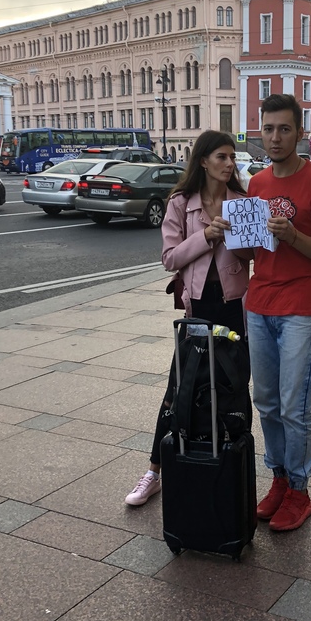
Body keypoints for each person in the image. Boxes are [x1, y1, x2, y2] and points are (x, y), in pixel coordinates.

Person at [125, 130, 250, 506]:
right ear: (203, 161)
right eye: (222, 158)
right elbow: (169, 259)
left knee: (235, 389)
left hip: (235, 306)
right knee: (179, 389)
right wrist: (207, 236)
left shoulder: (242, 201)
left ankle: (232, 466)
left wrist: (242, 240)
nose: (229, 165)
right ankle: (154, 471)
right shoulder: (181, 203)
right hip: (198, 308)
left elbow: (252, 258)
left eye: (232, 158)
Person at [246, 94, 311, 532]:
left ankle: (300, 492)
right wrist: (229, 231)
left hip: (301, 307)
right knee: (265, 402)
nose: (274, 137)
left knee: (294, 405)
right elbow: (252, 252)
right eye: (268, 129)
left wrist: (293, 237)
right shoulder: (257, 184)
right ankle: (278, 480)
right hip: (259, 304)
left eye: (284, 129)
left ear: (300, 133)